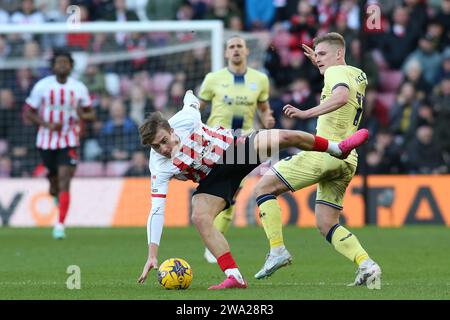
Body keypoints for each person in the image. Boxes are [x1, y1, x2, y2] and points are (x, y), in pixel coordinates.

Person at [136, 90, 369, 290]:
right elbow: (156, 209)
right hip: (213, 179)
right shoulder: (158, 165)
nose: (162, 149)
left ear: (171, 128)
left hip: (234, 150)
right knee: (199, 216)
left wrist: (191, 96)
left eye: (164, 141)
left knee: (285, 136)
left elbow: (191, 100)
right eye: (156, 146)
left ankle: (337, 148)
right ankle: (234, 276)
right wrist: (152, 254)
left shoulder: (185, 119)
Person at [253, 32, 382, 290]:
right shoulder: (359, 74)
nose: (318, 58)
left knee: (263, 188)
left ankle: (277, 250)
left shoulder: (336, 74)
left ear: (339, 54)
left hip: (323, 153)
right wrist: (322, 63)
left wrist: (305, 113)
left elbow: (341, 96)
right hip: (347, 159)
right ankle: (367, 265)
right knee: (327, 223)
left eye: (322, 54)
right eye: (316, 54)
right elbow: (342, 80)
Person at [198, 35, 275, 263]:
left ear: (246, 51)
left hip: (243, 142)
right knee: (216, 192)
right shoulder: (213, 79)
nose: (235, 50)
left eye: (239, 46)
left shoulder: (260, 79)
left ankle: (215, 241)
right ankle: (211, 235)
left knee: (231, 194)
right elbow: (198, 108)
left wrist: (268, 119)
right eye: (231, 47)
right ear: (225, 53)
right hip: (215, 141)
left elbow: (264, 109)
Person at [24, 50, 95, 239]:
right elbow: (29, 112)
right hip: (46, 141)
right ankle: (52, 182)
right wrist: (46, 124)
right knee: (55, 183)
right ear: (53, 66)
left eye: (66, 62)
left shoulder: (79, 88)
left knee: (65, 179)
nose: (62, 65)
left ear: (71, 66)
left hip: (69, 139)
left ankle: (59, 225)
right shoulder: (42, 87)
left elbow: (91, 114)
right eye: (59, 62)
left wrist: (81, 115)